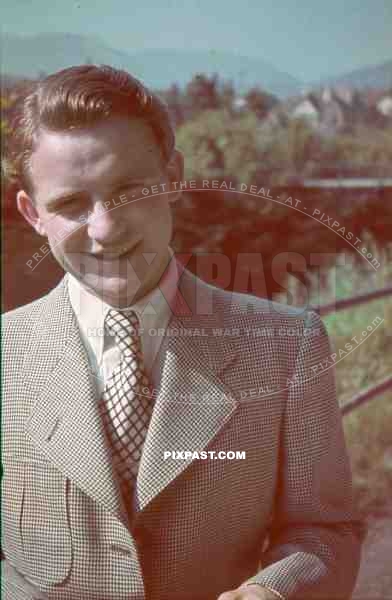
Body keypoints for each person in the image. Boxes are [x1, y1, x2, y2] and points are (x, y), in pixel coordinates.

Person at [2, 64, 365, 600]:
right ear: (33, 214)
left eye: (129, 189)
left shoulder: (288, 345)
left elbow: (325, 530)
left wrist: (270, 594)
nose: (106, 229)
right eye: (71, 204)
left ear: (173, 179)